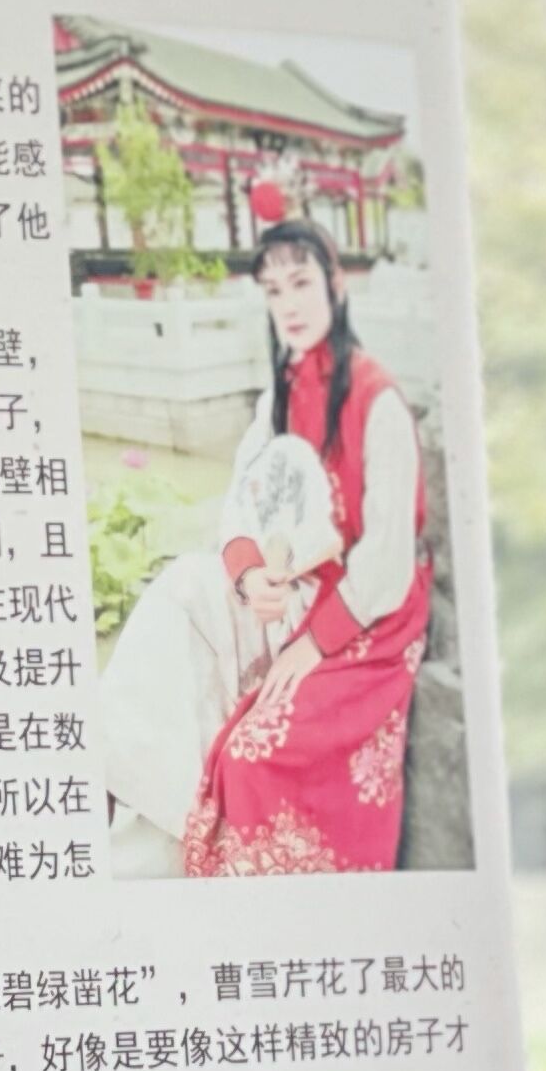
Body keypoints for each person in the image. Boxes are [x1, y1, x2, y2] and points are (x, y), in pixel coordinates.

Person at [89, 208, 430, 875]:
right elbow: (243, 501)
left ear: (335, 285)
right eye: (274, 291)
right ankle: (140, 792)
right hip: (292, 586)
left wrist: (311, 643)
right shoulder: (282, 392)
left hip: (366, 617)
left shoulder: (377, 402)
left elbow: (387, 560)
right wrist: (248, 575)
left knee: (254, 754)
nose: (289, 305)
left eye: (301, 284)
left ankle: (219, 848)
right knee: (180, 593)